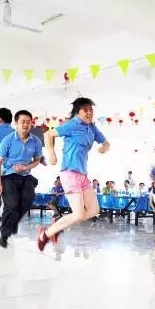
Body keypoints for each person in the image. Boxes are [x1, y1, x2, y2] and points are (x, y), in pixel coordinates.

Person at [38, 97, 111, 251]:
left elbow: (106, 142)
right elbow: (48, 135)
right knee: (78, 214)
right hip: (70, 172)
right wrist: (51, 153)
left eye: (91, 109)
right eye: (85, 110)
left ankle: (58, 226)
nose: (89, 112)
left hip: (83, 174)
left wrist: (104, 147)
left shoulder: (92, 128)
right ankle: (46, 234)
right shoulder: (73, 124)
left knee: (94, 210)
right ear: (78, 112)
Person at [0, 110, 44, 248]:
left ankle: (14, 222)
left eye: (29, 122)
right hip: (8, 175)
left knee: (29, 199)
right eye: (23, 122)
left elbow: (37, 160)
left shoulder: (36, 141)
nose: (26, 124)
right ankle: (4, 234)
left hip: (25, 175)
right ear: (16, 123)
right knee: (12, 205)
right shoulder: (8, 140)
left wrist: (25, 167)